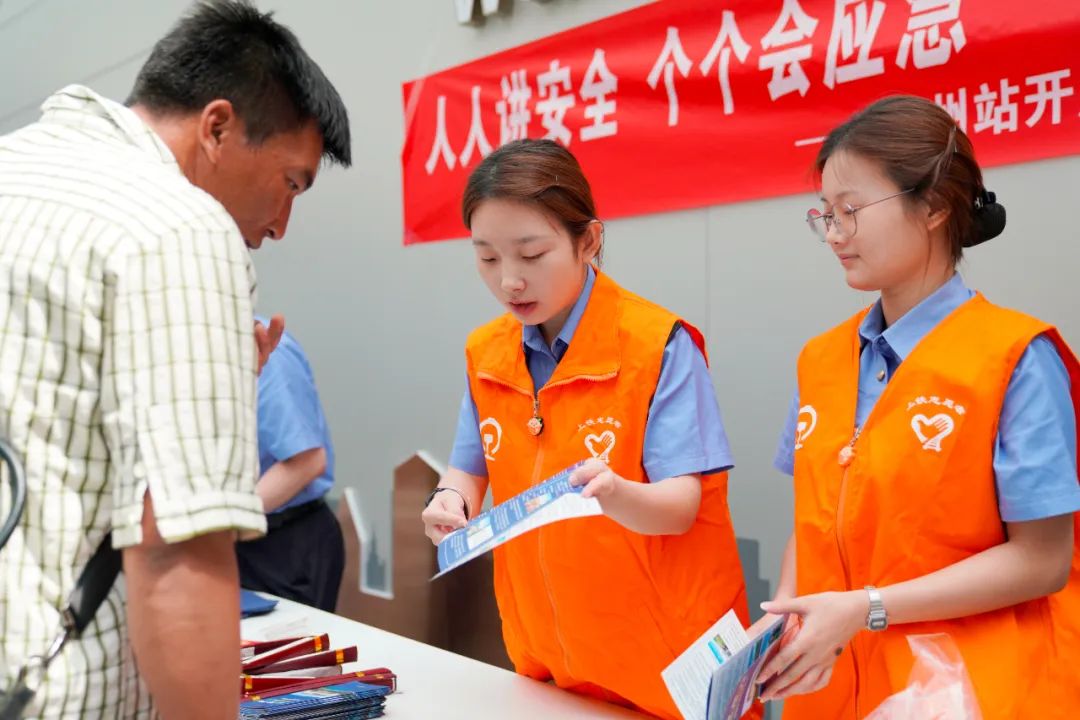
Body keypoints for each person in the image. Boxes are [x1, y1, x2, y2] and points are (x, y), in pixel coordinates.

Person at [0, 1, 350, 717]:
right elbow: (176, 551)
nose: (282, 225)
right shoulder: (180, 226)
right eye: (291, 182)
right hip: (57, 690)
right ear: (217, 126)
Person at [756, 96, 1079, 719]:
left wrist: (866, 607)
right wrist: (786, 617)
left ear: (932, 206)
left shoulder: (1014, 357)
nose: (833, 233)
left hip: (965, 692)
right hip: (831, 692)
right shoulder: (821, 359)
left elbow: (1044, 560)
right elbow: (815, 520)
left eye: (850, 211)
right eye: (824, 213)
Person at [421, 139, 756, 720]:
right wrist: (449, 501)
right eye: (488, 258)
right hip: (549, 661)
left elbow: (680, 506)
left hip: (667, 671)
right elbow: (468, 469)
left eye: (531, 254)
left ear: (589, 240)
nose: (510, 282)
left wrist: (615, 494)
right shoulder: (487, 353)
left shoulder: (660, 346)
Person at [237, 321, 344, 612]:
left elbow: (306, 462)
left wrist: (222, 527)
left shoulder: (266, 348)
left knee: (282, 655)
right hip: (229, 539)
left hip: (282, 544)